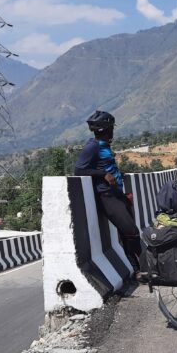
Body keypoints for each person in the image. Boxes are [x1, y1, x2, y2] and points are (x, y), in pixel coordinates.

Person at [74, 110, 141, 273]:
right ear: (106, 129)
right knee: (130, 230)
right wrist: (103, 174)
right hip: (107, 196)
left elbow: (104, 165)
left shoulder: (104, 146)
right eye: (111, 128)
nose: (113, 131)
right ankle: (139, 269)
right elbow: (79, 170)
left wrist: (116, 173)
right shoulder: (93, 146)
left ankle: (137, 269)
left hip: (117, 194)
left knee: (128, 232)